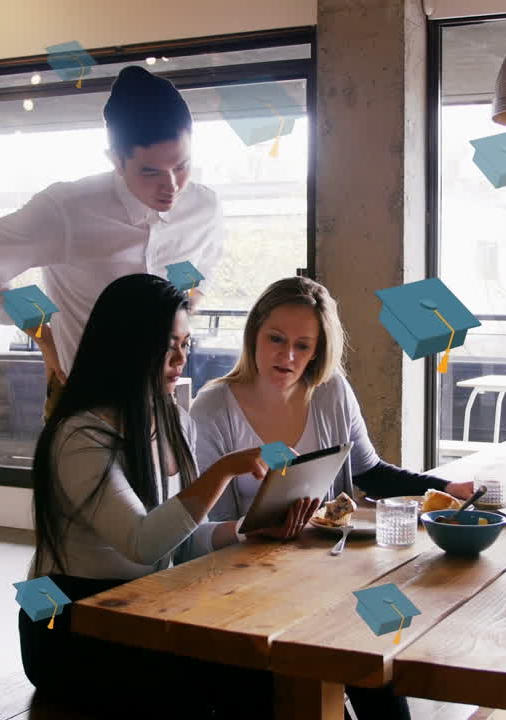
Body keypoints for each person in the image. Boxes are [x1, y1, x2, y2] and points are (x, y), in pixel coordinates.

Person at [18, 274, 314, 718]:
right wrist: (224, 469)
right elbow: (143, 543)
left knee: (279, 664)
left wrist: (246, 530)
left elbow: (179, 542)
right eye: (169, 344)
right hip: (66, 623)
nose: (182, 358)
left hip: (139, 609)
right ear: (130, 344)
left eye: (187, 344)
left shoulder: (172, 419)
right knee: (243, 677)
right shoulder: (79, 434)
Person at [189, 276, 474, 720]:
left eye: (303, 346)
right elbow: (200, 534)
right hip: (244, 592)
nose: (287, 356)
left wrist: (444, 489)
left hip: (324, 575)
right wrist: (251, 532)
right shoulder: (212, 409)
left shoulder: (331, 392)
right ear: (254, 334)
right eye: (276, 339)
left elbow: (371, 472)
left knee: (382, 670)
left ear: (319, 350)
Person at [0, 65, 224, 419]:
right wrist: (44, 335)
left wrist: (182, 306)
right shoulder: (67, 209)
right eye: (151, 171)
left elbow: (202, 270)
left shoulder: (204, 208)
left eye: (181, 165)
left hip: (159, 399)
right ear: (117, 161)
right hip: (85, 397)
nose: (170, 185)